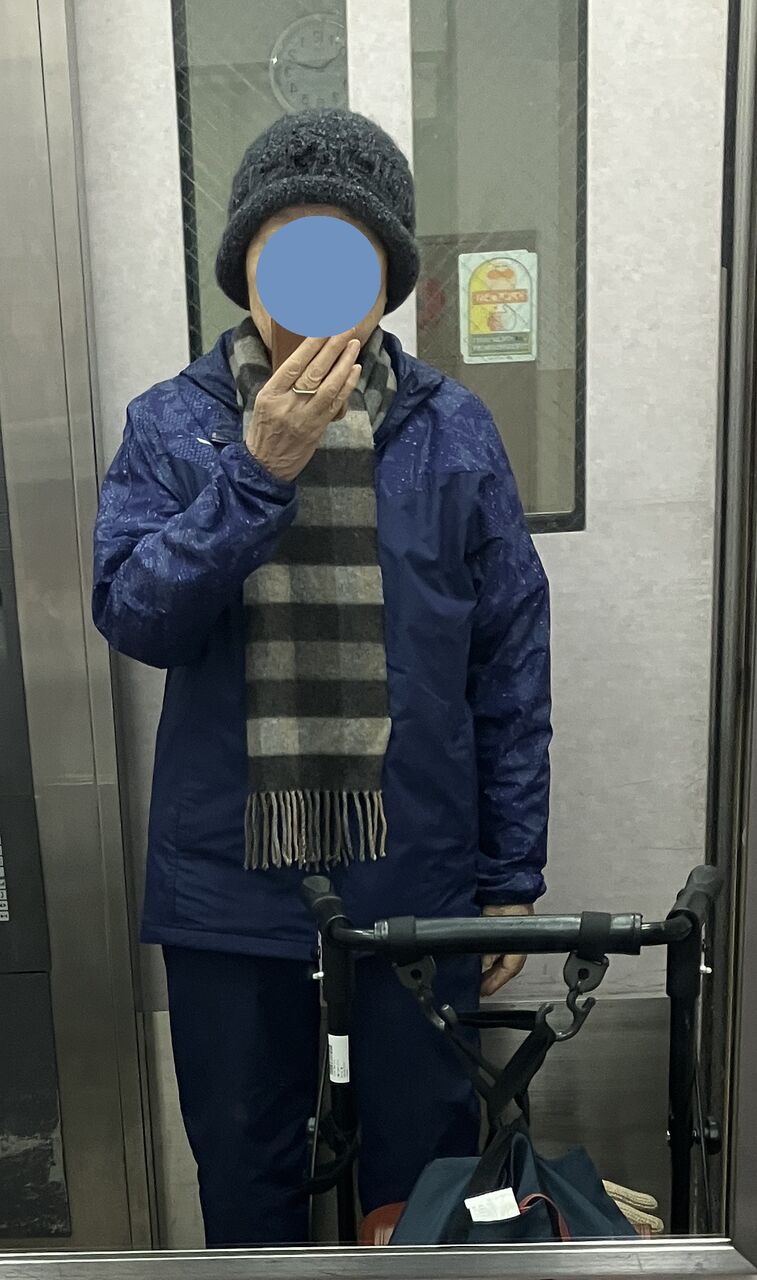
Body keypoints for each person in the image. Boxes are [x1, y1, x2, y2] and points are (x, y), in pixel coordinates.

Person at [92, 108, 552, 1246]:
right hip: (228, 881)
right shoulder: (173, 425)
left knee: (423, 1179)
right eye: (284, 250)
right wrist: (257, 472)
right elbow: (138, 616)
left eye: (339, 253)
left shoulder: (453, 432)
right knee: (246, 1177)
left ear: (382, 278)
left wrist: (507, 878)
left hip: (416, 871)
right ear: (243, 269)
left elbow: (507, 658)